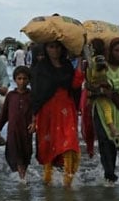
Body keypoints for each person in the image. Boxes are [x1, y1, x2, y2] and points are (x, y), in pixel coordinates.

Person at [30, 40, 84, 187]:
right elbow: (35, 92)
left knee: (69, 143)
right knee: (48, 144)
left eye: (58, 47)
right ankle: (47, 182)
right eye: (51, 47)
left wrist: (80, 63)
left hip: (66, 108)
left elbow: (75, 84)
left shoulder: (67, 66)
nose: (55, 50)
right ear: (45, 48)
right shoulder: (40, 68)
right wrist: (34, 116)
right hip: (47, 110)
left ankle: (68, 182)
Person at [92, 37, 119, 184]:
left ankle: (110, 172)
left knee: (113, 142)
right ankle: (109, 173)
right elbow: (94, 79)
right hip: (100, 105)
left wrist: (106, 84)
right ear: (111, 51)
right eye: (116, 50)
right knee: (104, 139)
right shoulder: (102, 63)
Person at [0, 66, 34, 182]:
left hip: (26, 131)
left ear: (29, 80)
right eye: (19, 78)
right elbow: (4, 114)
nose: (22, 81)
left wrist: (34, 123)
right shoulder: (11, 96)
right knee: (14, 153)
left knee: (26, 153)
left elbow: (36, 112)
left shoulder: (32, 95)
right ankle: (22, 179)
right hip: (13, 131)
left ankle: (23, 176)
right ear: (15, 80)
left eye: (25, 79)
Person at [85, 38, 119, 138]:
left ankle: (106, 130)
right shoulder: (107, 62)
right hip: (104, 90)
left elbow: (89, 77)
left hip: (94, 91)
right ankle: (112, 129)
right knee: (107, 109)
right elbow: (111, 76)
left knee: (94, 111)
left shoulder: (91, 62)